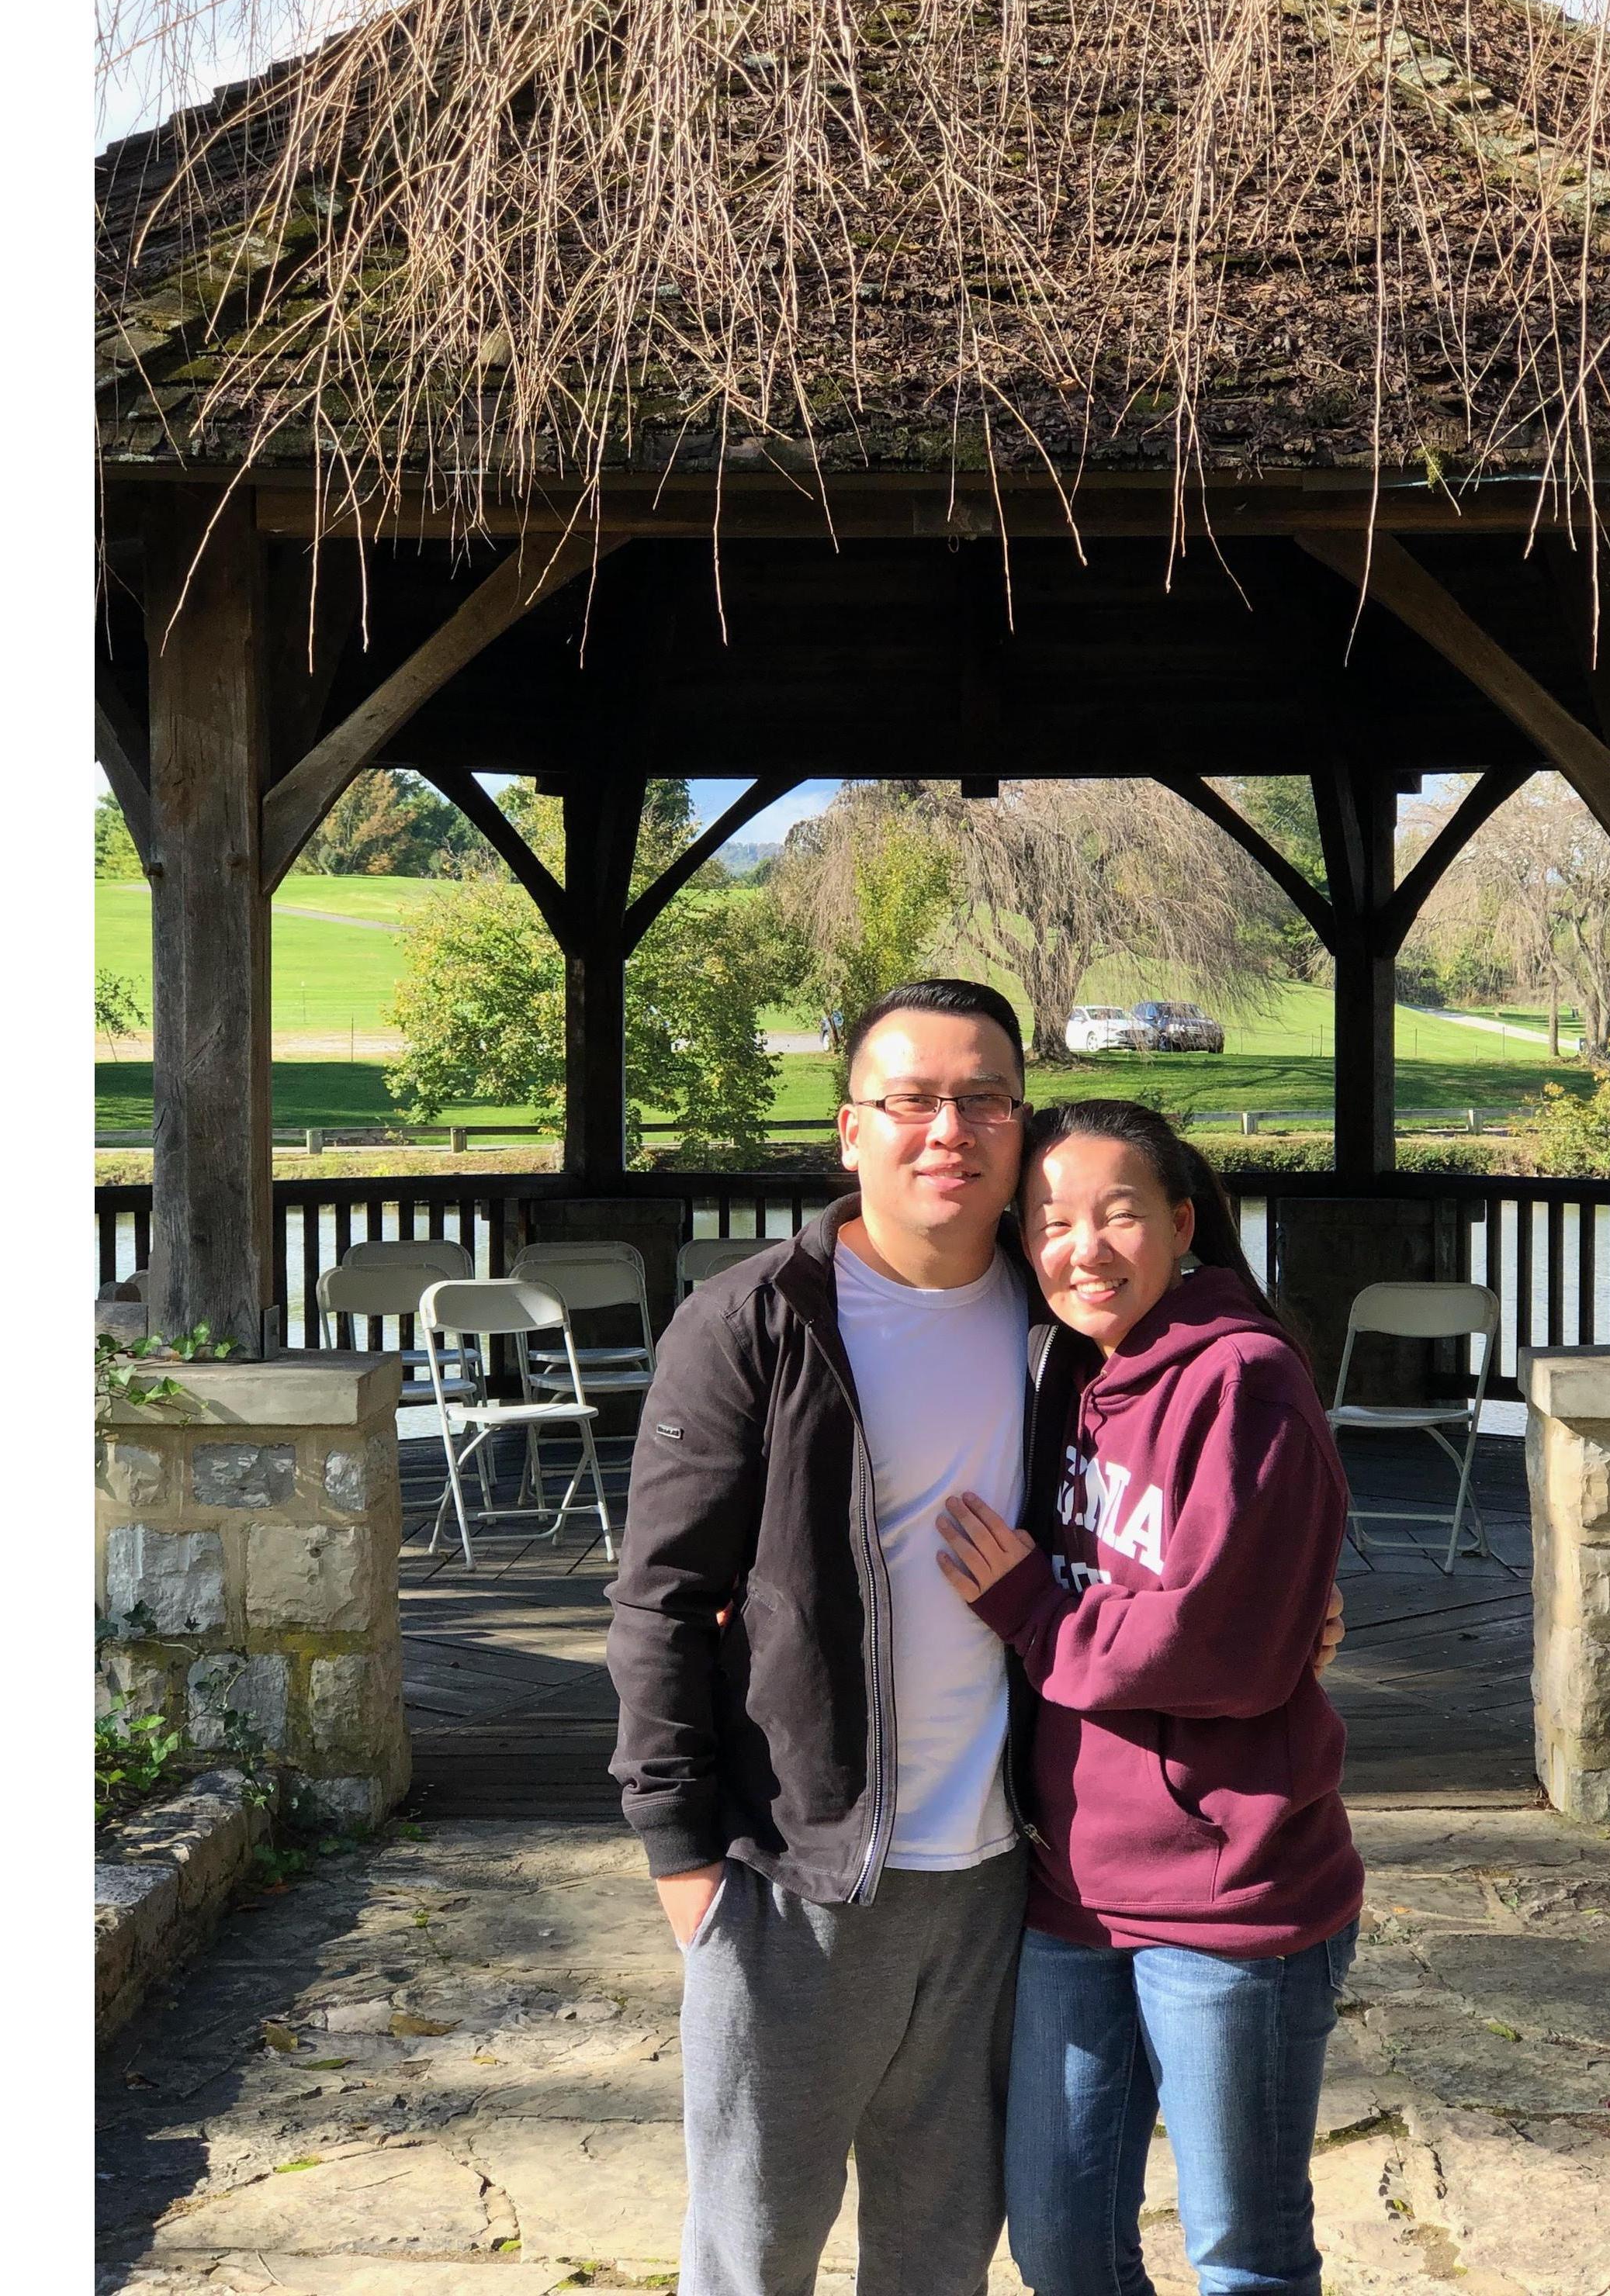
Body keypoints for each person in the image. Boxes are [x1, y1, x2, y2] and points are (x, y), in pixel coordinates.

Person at [607, 980, 1044, 2296]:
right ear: (849, 1129)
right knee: (753, 2259)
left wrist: (1292, 1598)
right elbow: (659, 1599)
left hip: (1002, 1874)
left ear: (1022, 1132)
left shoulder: (1065, 1320)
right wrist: (683, 1855)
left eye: (983, 1101)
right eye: (912, 1099)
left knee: (940, 2258)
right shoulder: (753, 1322)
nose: (948, 1129)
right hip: (797, 1873)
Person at [937, 1097, 1366, 2296]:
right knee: (1063, 2244)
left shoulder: (1245, 1383)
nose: (1087, 1248)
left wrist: (1031, 1610)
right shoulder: (1066, 1365)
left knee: (1244, 2255)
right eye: (1053, 1221)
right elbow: (893, 1256)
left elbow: (1223, 1647)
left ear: (1184, 1223)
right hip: (1070, 1887)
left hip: (1232, 1900)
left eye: (1120, 1215)